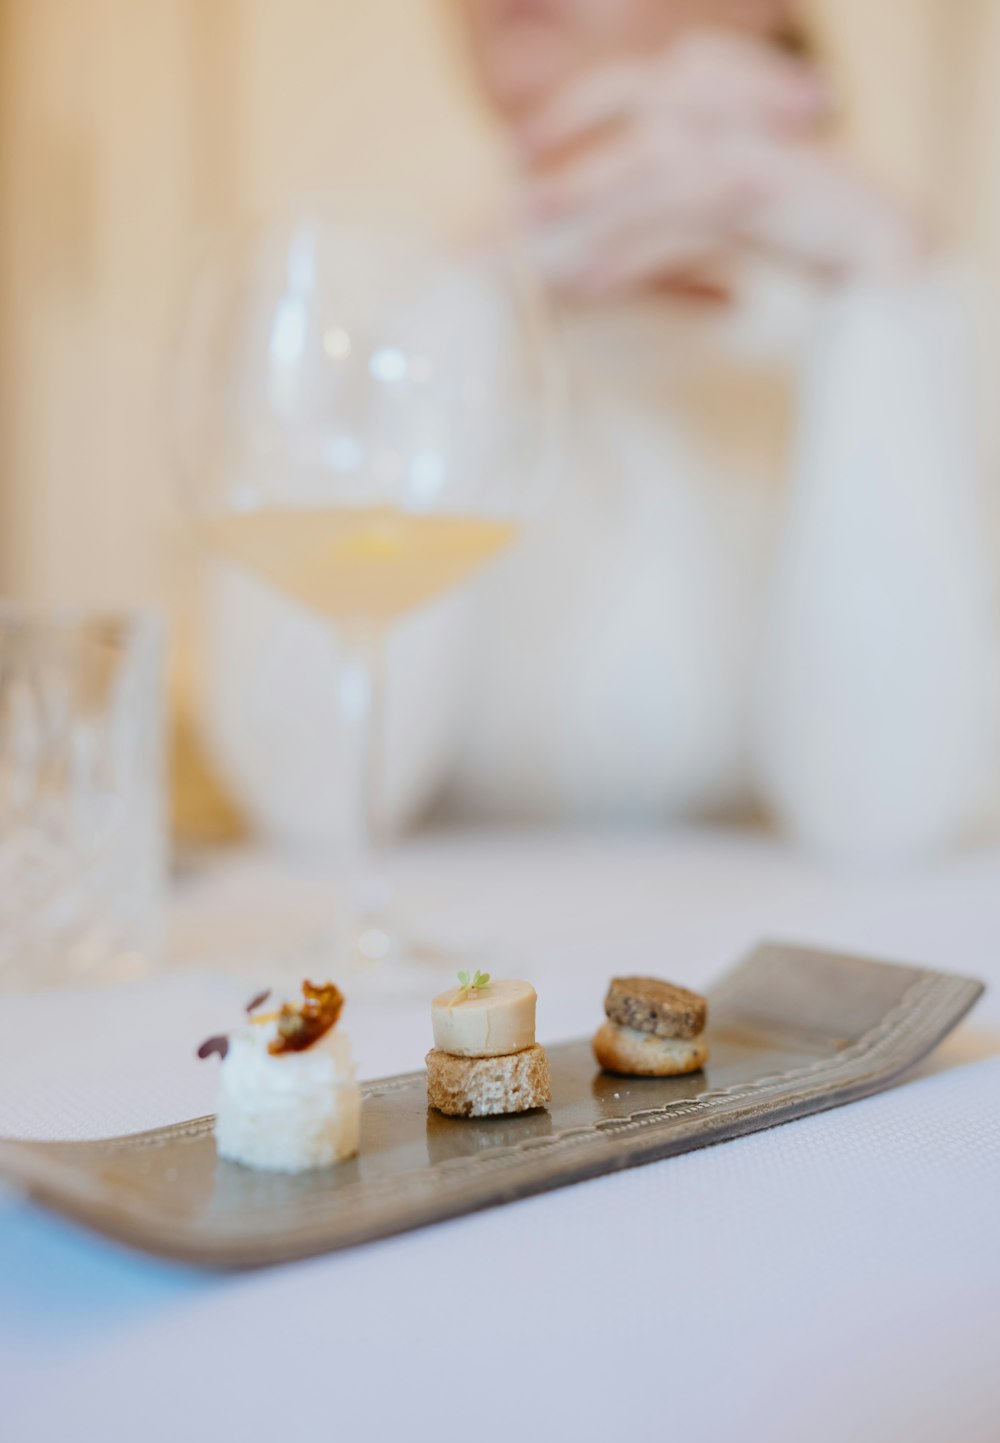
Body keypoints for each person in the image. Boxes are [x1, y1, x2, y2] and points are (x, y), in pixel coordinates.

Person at [205, 0, 998, 863]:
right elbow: (309, 798)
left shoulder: (919, 311)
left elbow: (895, 819)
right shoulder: (353, 294)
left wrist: (881, 293)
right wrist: (478, 292)